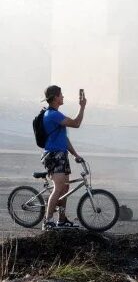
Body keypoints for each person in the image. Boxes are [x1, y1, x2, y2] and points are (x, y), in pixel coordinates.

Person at [40, 85, 87, 230]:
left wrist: (75, 155)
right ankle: (47, 221)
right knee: (58, 187)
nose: (63, 97)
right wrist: (82, 106)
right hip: (54, 155)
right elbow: (76, 123)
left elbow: (64, 139)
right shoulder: (52, 115)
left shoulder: (56, 114)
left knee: (65, 188)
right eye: (61, 95)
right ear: (55, 97)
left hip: (61, 155)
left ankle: (61, 220)